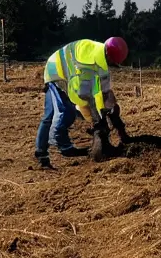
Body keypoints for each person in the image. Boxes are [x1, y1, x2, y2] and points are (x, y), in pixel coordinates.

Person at [34, 37, 129, 168]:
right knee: (65, 111)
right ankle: (64, 146)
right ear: (108, 54)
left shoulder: (101, 60)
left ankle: (41, 155)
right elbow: (84, 94)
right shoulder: (88, 60)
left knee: (49, 116)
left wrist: (110, 109)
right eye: (112, 62)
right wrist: (97, 120)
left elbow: (104, 91)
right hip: (57, 72)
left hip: (64, 73)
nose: (111, 65)